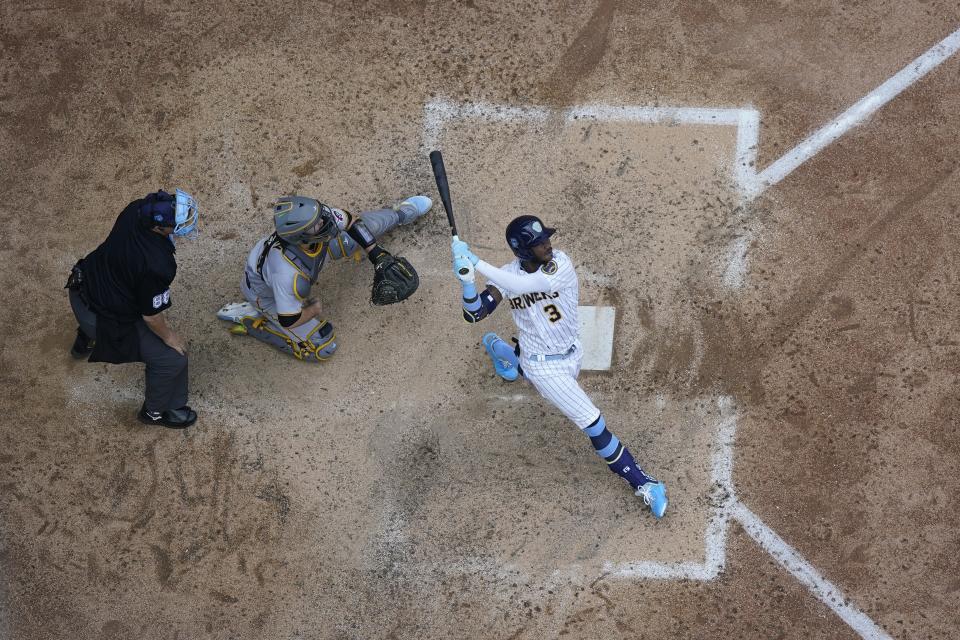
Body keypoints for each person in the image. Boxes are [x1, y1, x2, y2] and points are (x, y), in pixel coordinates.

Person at [450, 216, 668, 518]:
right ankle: (645, 484)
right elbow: (474, 314)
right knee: (593, 423)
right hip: (542, 365)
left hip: (572, 353)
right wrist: (467, 283)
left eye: (546, 239)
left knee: (542, 381)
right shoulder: (505, 274)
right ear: (524, 251)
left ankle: (501, 351)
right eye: (539, 244)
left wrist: (476, 261)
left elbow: (523, 285)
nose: (547, 245)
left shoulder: (559, 265)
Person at [219, 194, 432, 361]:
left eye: (321, 216)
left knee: (362, 231)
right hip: (264, 294)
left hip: (308, 256)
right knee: (322, 347)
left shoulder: (317, 218)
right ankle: (252, 319)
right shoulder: (289, 275)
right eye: (317, 224)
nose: (325, 220)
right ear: (301, 237)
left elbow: (352, 222)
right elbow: (289, 319)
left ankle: (403, 213)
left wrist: (377, 253)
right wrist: (313, 310)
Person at [66, 189, 199, 429]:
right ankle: (156, 412)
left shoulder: (134, 210)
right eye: (176, 222)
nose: (186, 220)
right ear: (158, 228)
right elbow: (150, 316)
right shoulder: (157, 264)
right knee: (173, 359)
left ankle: (83, 342)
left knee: (114, 291)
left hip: (82, 285)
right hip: (99, 320)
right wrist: (169, 337)